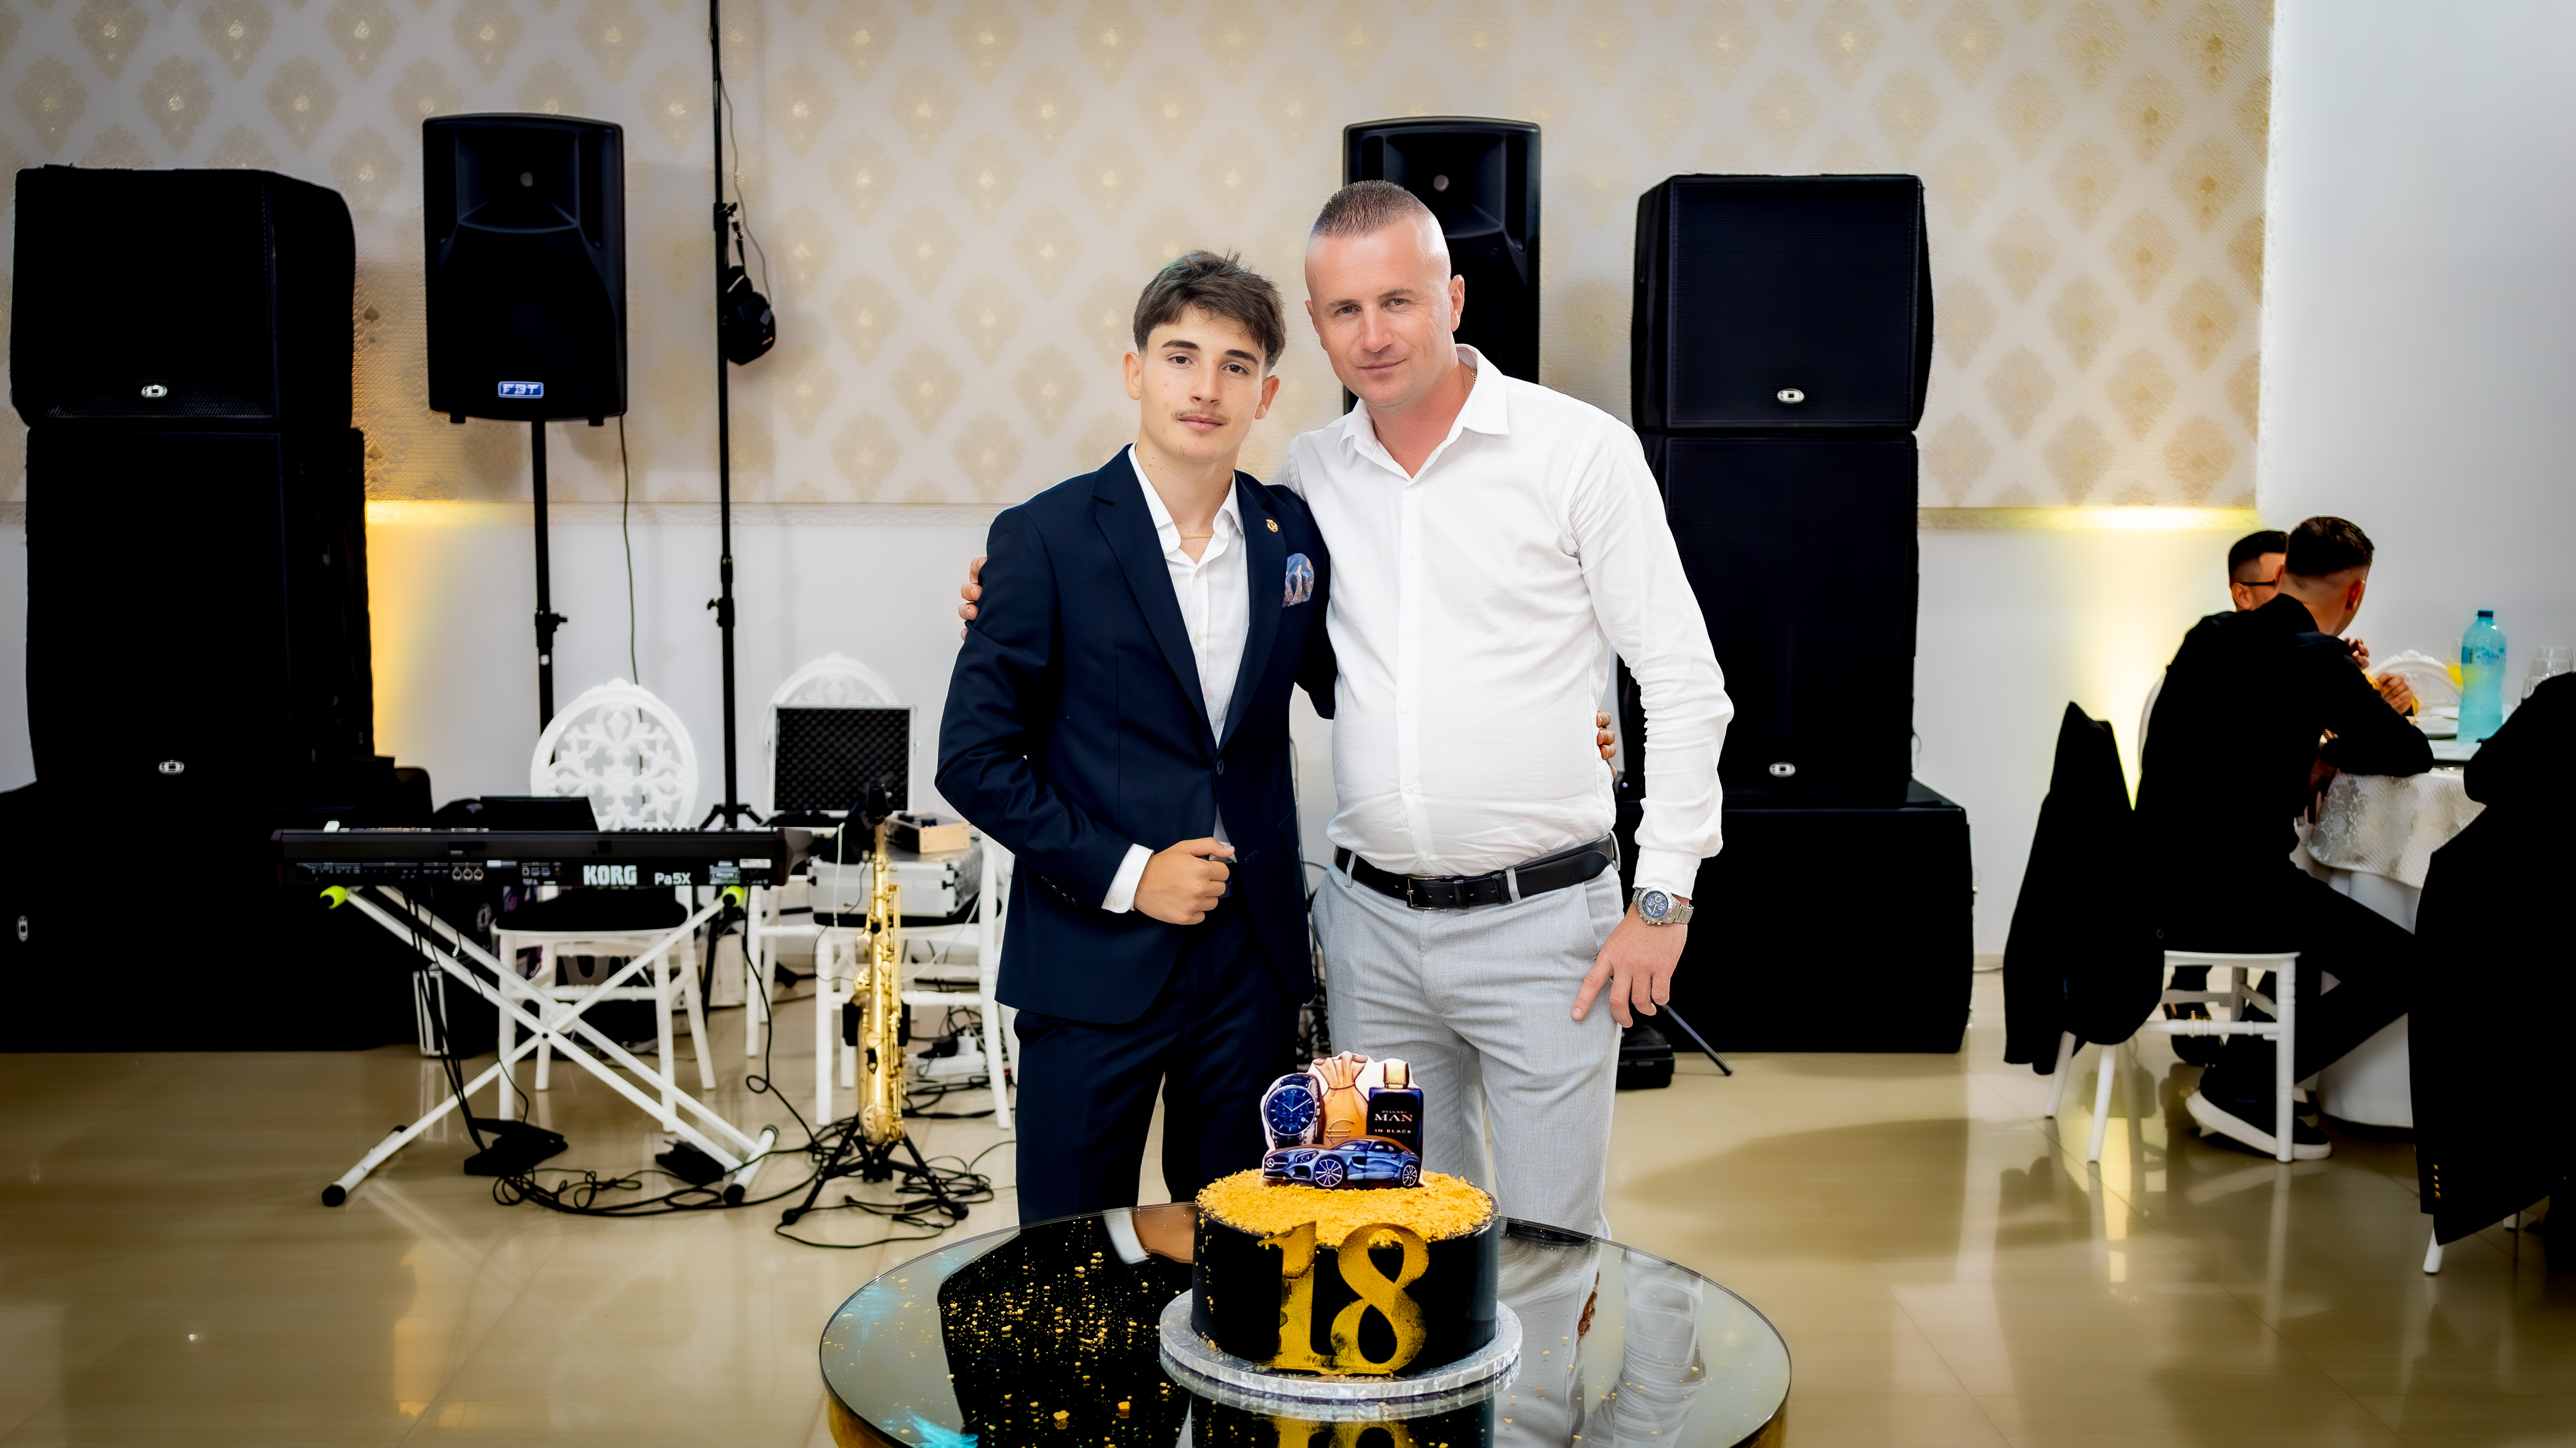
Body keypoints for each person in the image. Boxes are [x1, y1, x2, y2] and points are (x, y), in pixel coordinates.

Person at [959, 186, 1732, 1238]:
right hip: (1370, 941)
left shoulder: (1571, 452)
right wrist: (1006, 595)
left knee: (1546, 1252)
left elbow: (1680, 679)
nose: (1374, 335)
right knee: (1395, 1243)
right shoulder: (1307, 482)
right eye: (1345, 311)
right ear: (1319, 333)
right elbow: (1297, 667)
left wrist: (1662, 893)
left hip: (1538, 926)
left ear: (1453, 300)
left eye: (1398, 301)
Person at [935, 252, 1335, 1224]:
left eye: (1236, 366)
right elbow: (972, 761)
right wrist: (1131, 872)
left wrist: (1547, 725)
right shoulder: (1044, 538)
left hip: (1250, 964)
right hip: (1091, 952)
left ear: (1266, 394)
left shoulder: (1293, 536)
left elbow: (1365, 684)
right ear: (1135, 372)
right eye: (1180, 357)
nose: (1206, 388)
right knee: (1070, 1258)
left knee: (1238, 1249)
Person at [2136, 515, 2432, 1158]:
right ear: (2355, 593)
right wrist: (2338, 748)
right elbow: (2410, 751)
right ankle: (2244, 1086)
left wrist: (2318, 752)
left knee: (2306, 910)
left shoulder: (2209, 634)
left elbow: (2234, 741)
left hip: (2153, 877)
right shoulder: (2319, 658)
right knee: (2406, 967)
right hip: (2235, 890)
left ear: (2286, 568)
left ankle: (2255, 1077)